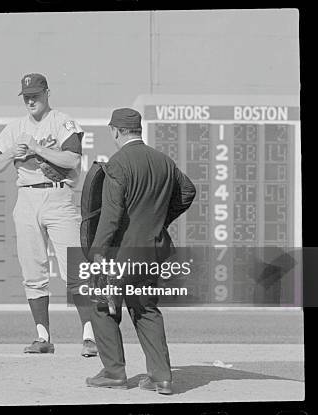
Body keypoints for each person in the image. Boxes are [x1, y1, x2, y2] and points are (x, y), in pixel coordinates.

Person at [85, 108, 196, 394]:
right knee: (146, 309)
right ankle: (162, 378)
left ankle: (114, 373)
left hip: (121, 253)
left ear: (117, 131)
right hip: (153, 250)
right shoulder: (164, 161)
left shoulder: (118, 164)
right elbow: (188, 192)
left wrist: (97, 254)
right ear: (138, 130)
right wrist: (161, 220)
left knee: (101, 306)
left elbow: (110, 216)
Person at [0, 73, 98, 357]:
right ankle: (42, 336)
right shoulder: (14, 128)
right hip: (26, 198)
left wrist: (38, 149)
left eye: (36, 94)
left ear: (47, 93)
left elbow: (72, 159)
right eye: (26, 95)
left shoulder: (62, 121)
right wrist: (13, 152)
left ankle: (89, 335)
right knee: (33, 272)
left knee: (75, 269)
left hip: (58, 196)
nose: (30, 99)